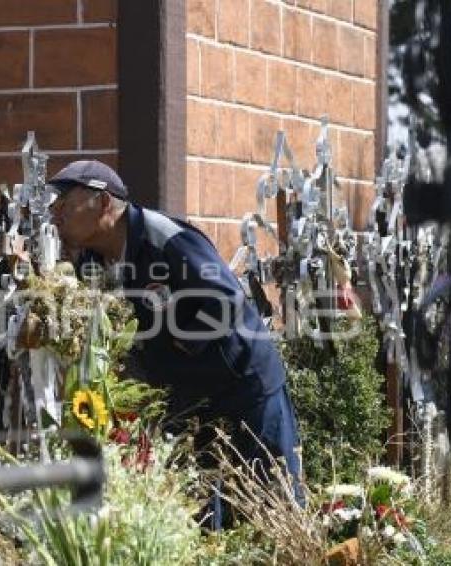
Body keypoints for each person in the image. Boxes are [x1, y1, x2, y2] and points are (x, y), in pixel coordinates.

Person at [47, 160, 303, 527]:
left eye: (65, 204)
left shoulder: (164, 238)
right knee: (202, 522)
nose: (57, 215)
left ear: (103, 203)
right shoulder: (90, 260)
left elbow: (227, 300)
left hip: (245, 388)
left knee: (272, 511)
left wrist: (184, 341)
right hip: (188, 403)